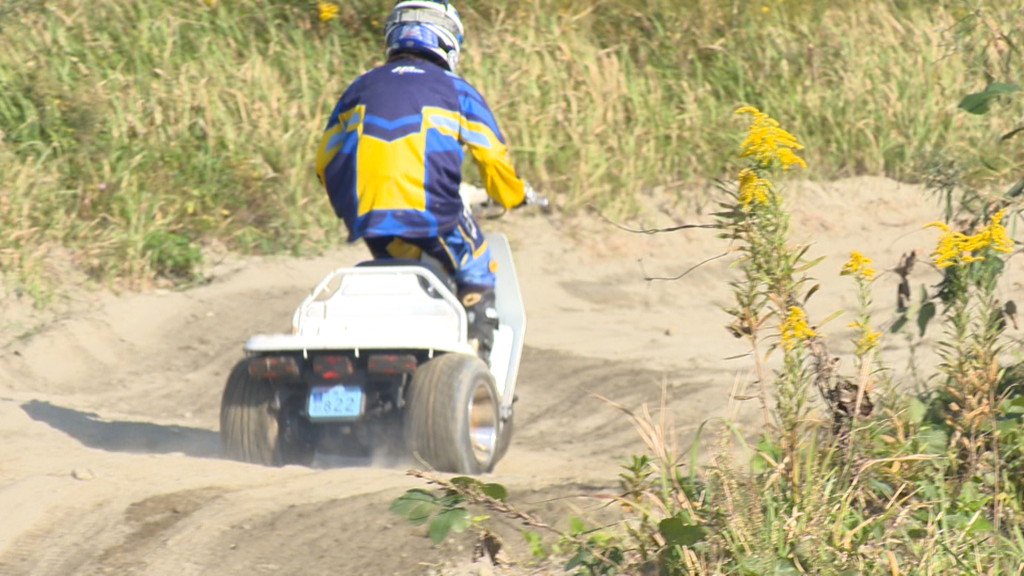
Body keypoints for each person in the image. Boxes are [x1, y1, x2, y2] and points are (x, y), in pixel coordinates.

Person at [315, 0, 538, 360]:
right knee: (477, 266)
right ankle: (473, 365)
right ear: (448, 40)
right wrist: (512, 196)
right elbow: (492, 156)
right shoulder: (456, 89)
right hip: (432, 209)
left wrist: (352, 200)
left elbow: (324, 161)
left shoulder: (359, 87)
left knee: (405, 277)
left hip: (368, 213)